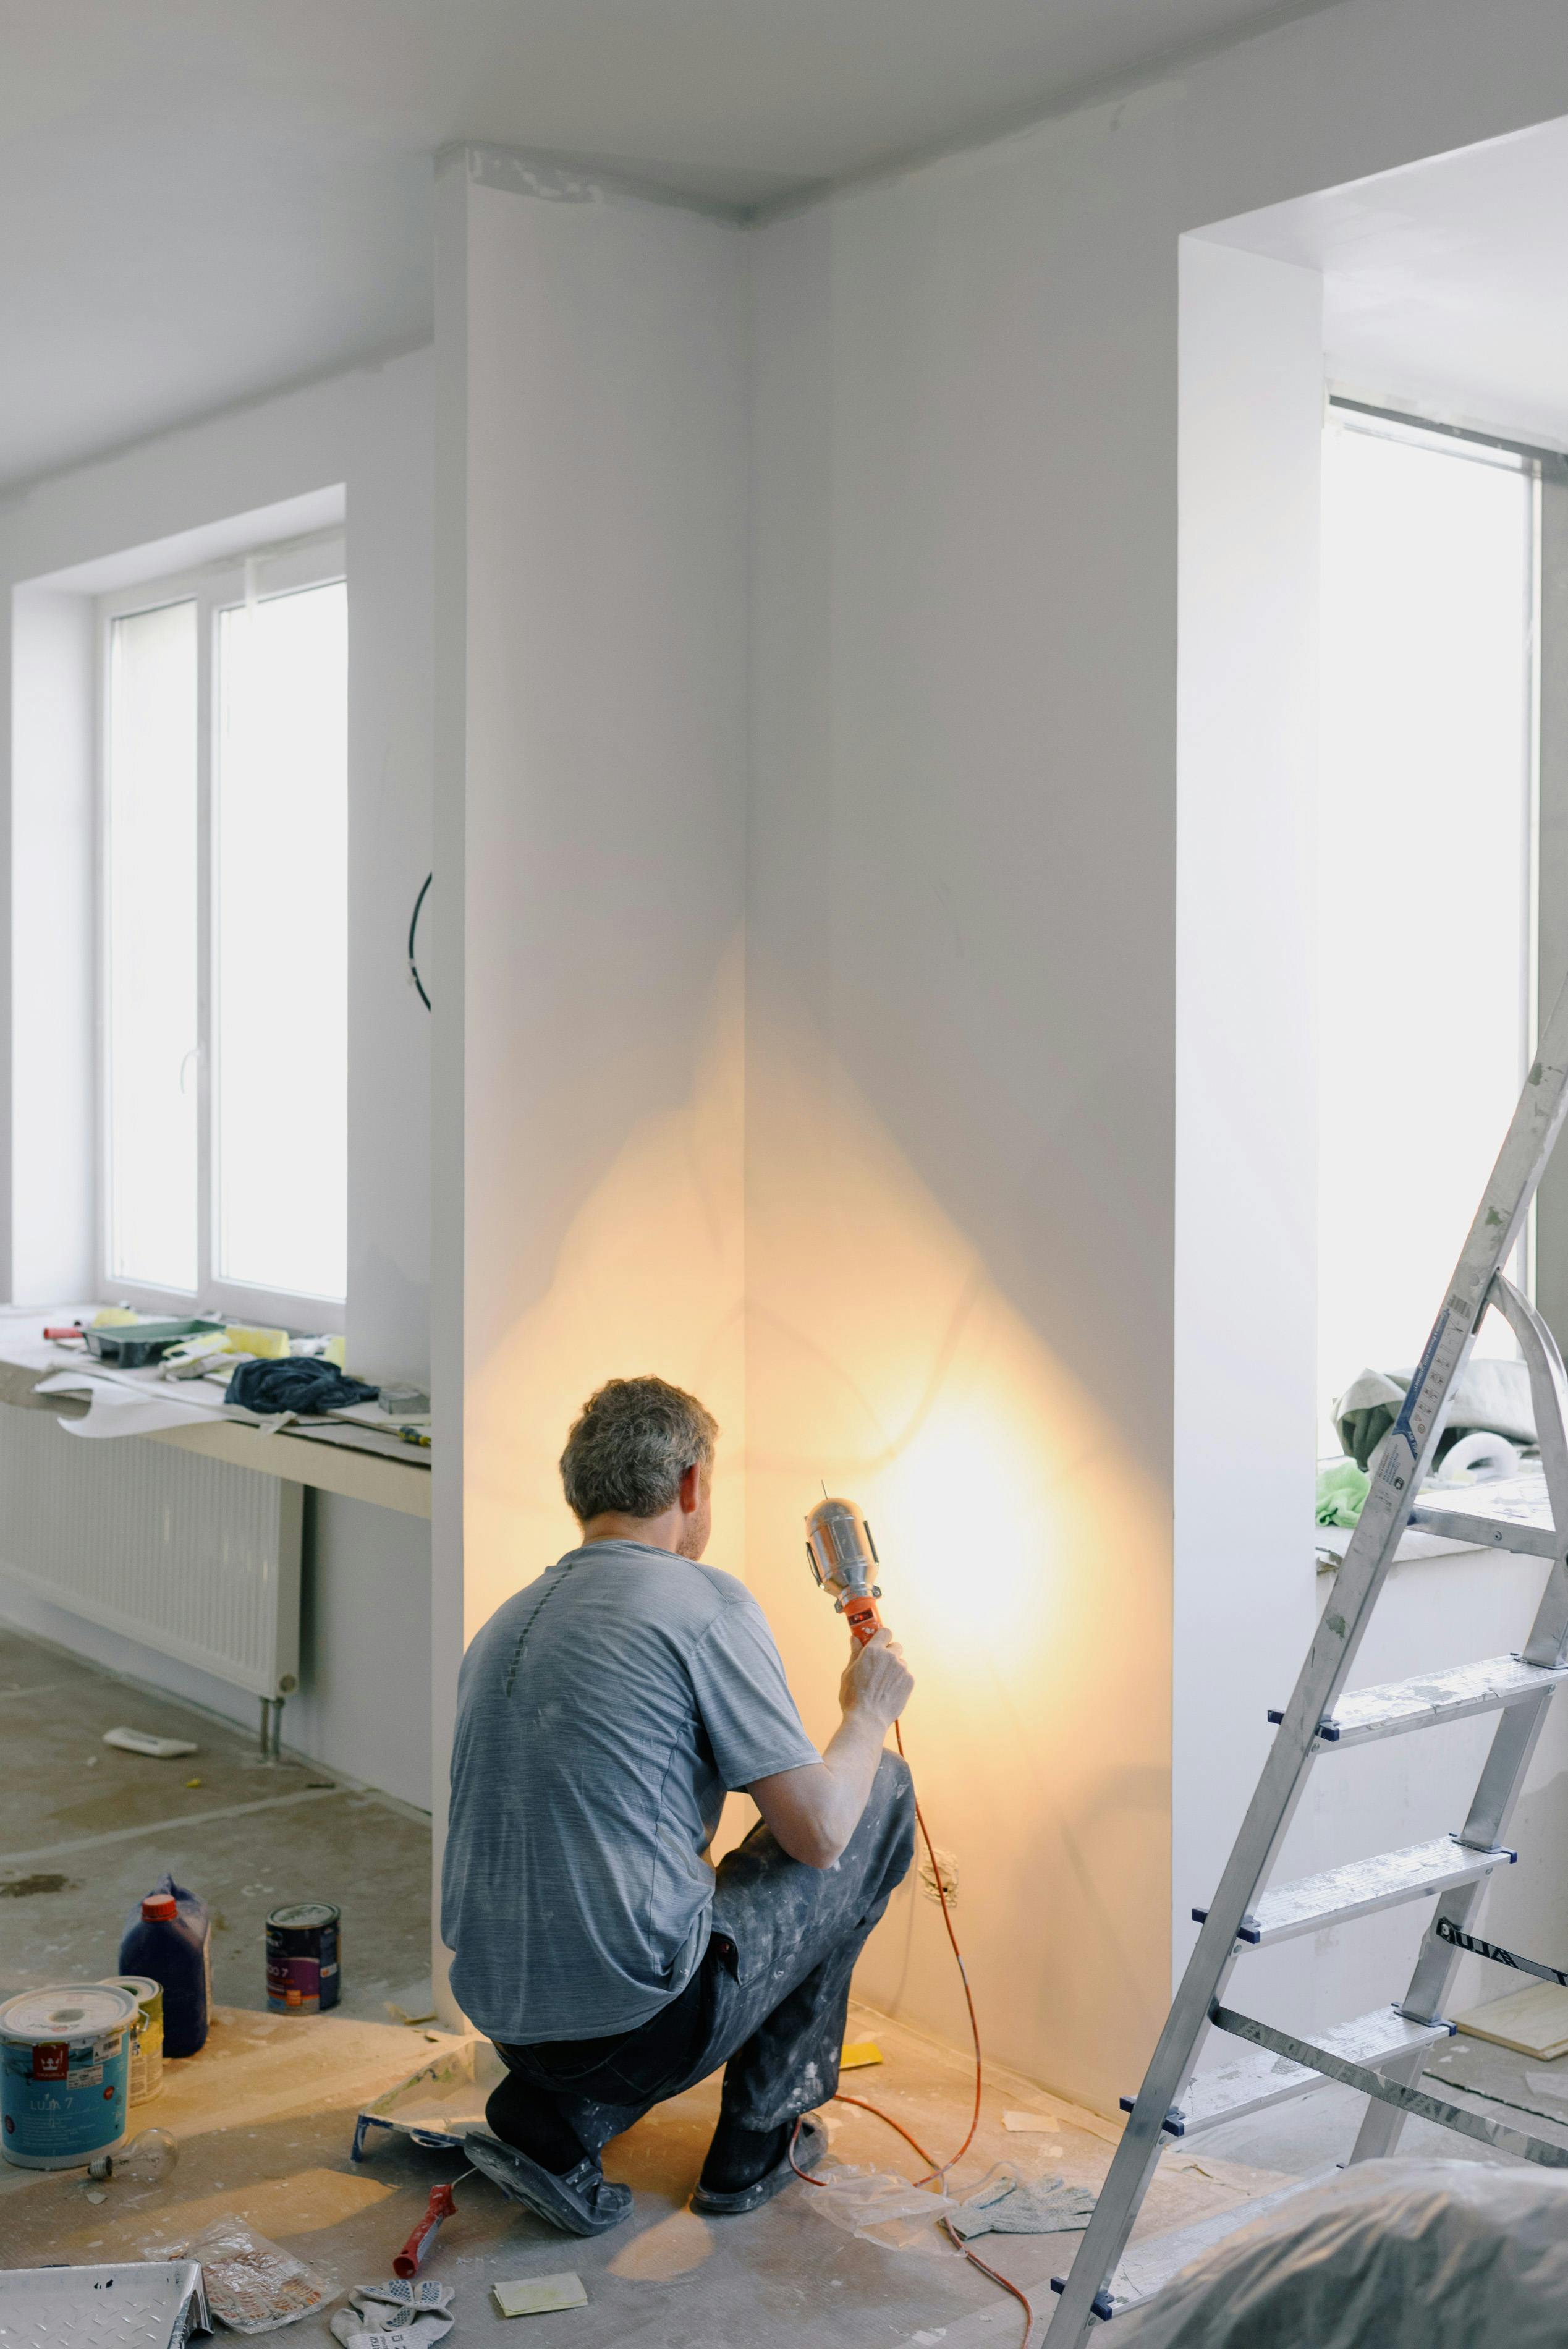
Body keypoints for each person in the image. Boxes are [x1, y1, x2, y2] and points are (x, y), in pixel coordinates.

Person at [441, 1374, 915, 2235]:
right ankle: (757, 2141)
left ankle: (558, 2116)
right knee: (877, 1792)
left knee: (677, 1884)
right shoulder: (702, 1602)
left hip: (506, 2019)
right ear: (691, 1485)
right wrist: (867, 1713)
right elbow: (818, 1832)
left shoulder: (506, 1622)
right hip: (641, 2028)